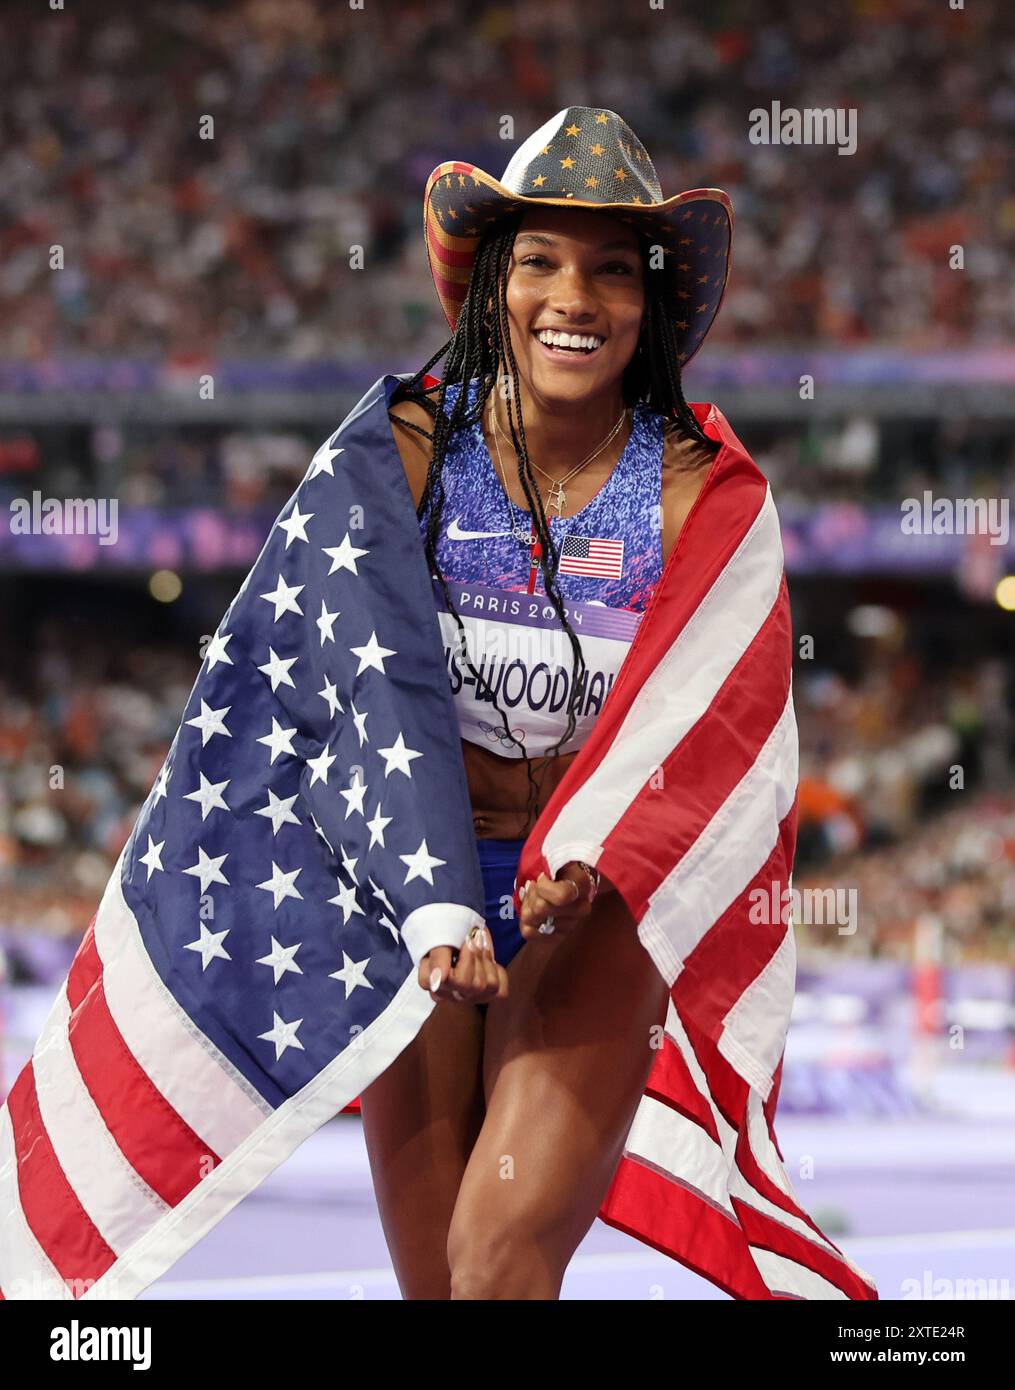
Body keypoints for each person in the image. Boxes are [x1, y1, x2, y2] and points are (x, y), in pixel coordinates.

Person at [358, 106, 733, 1300]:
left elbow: (716, 732)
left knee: (499, 1260)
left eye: (611, 268)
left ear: (650, 303)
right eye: (539, 259)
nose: (573, 295)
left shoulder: (692, 493)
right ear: (490, 286)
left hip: (587, 911)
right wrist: (425, 900)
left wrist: (594, 853)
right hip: (421, 899)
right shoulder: (407, 447)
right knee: (440, 1289)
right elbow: (337, 686)